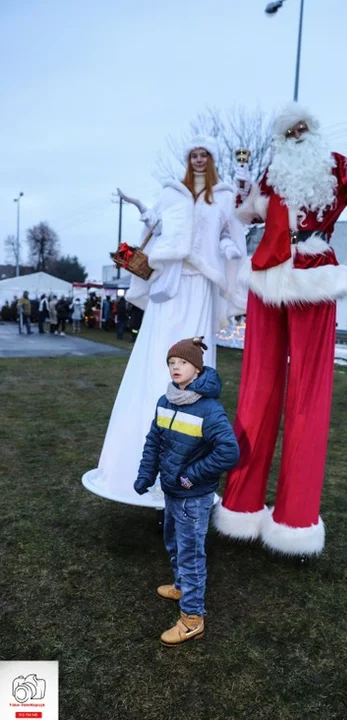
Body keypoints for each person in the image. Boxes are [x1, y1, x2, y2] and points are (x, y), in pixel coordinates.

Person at [213, 103, 347, 557]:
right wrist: (244, 189)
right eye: (288, 130)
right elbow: (248, 213)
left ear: (312, 130)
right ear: (281, 138)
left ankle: (295, 519)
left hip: (313, 275)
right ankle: (241, 505)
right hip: (267, 277)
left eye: (302, 127)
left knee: (308, 397)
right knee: (256, 392)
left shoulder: (332, 166)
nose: (296, 134)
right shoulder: (272, 174)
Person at [83, 136, 246, 507]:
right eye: (194, 154)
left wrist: (228, 249)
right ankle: (134, 464)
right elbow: (156, 228)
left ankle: (188, 464)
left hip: (202, 287)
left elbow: (232, 235)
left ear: (212, 159)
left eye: (205, 154)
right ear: (188, 159)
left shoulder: (223, 197)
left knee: (196, 356)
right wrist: (142, 207)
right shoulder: (172, 193)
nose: (200, 159)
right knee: (158, 358)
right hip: (170, 289)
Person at [134, 337, 239, 646]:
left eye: (182, 363)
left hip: (193, 497)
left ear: (197, 368)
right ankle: (180, 585)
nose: (175, 367)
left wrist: (191, 476)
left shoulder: (210, 410)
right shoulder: (165, 401)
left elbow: (229, 452)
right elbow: (154, 441)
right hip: (171, 492)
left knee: (191, 555)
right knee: (173, 543)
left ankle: (192, 618)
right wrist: (145, 474)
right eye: (171, 363)